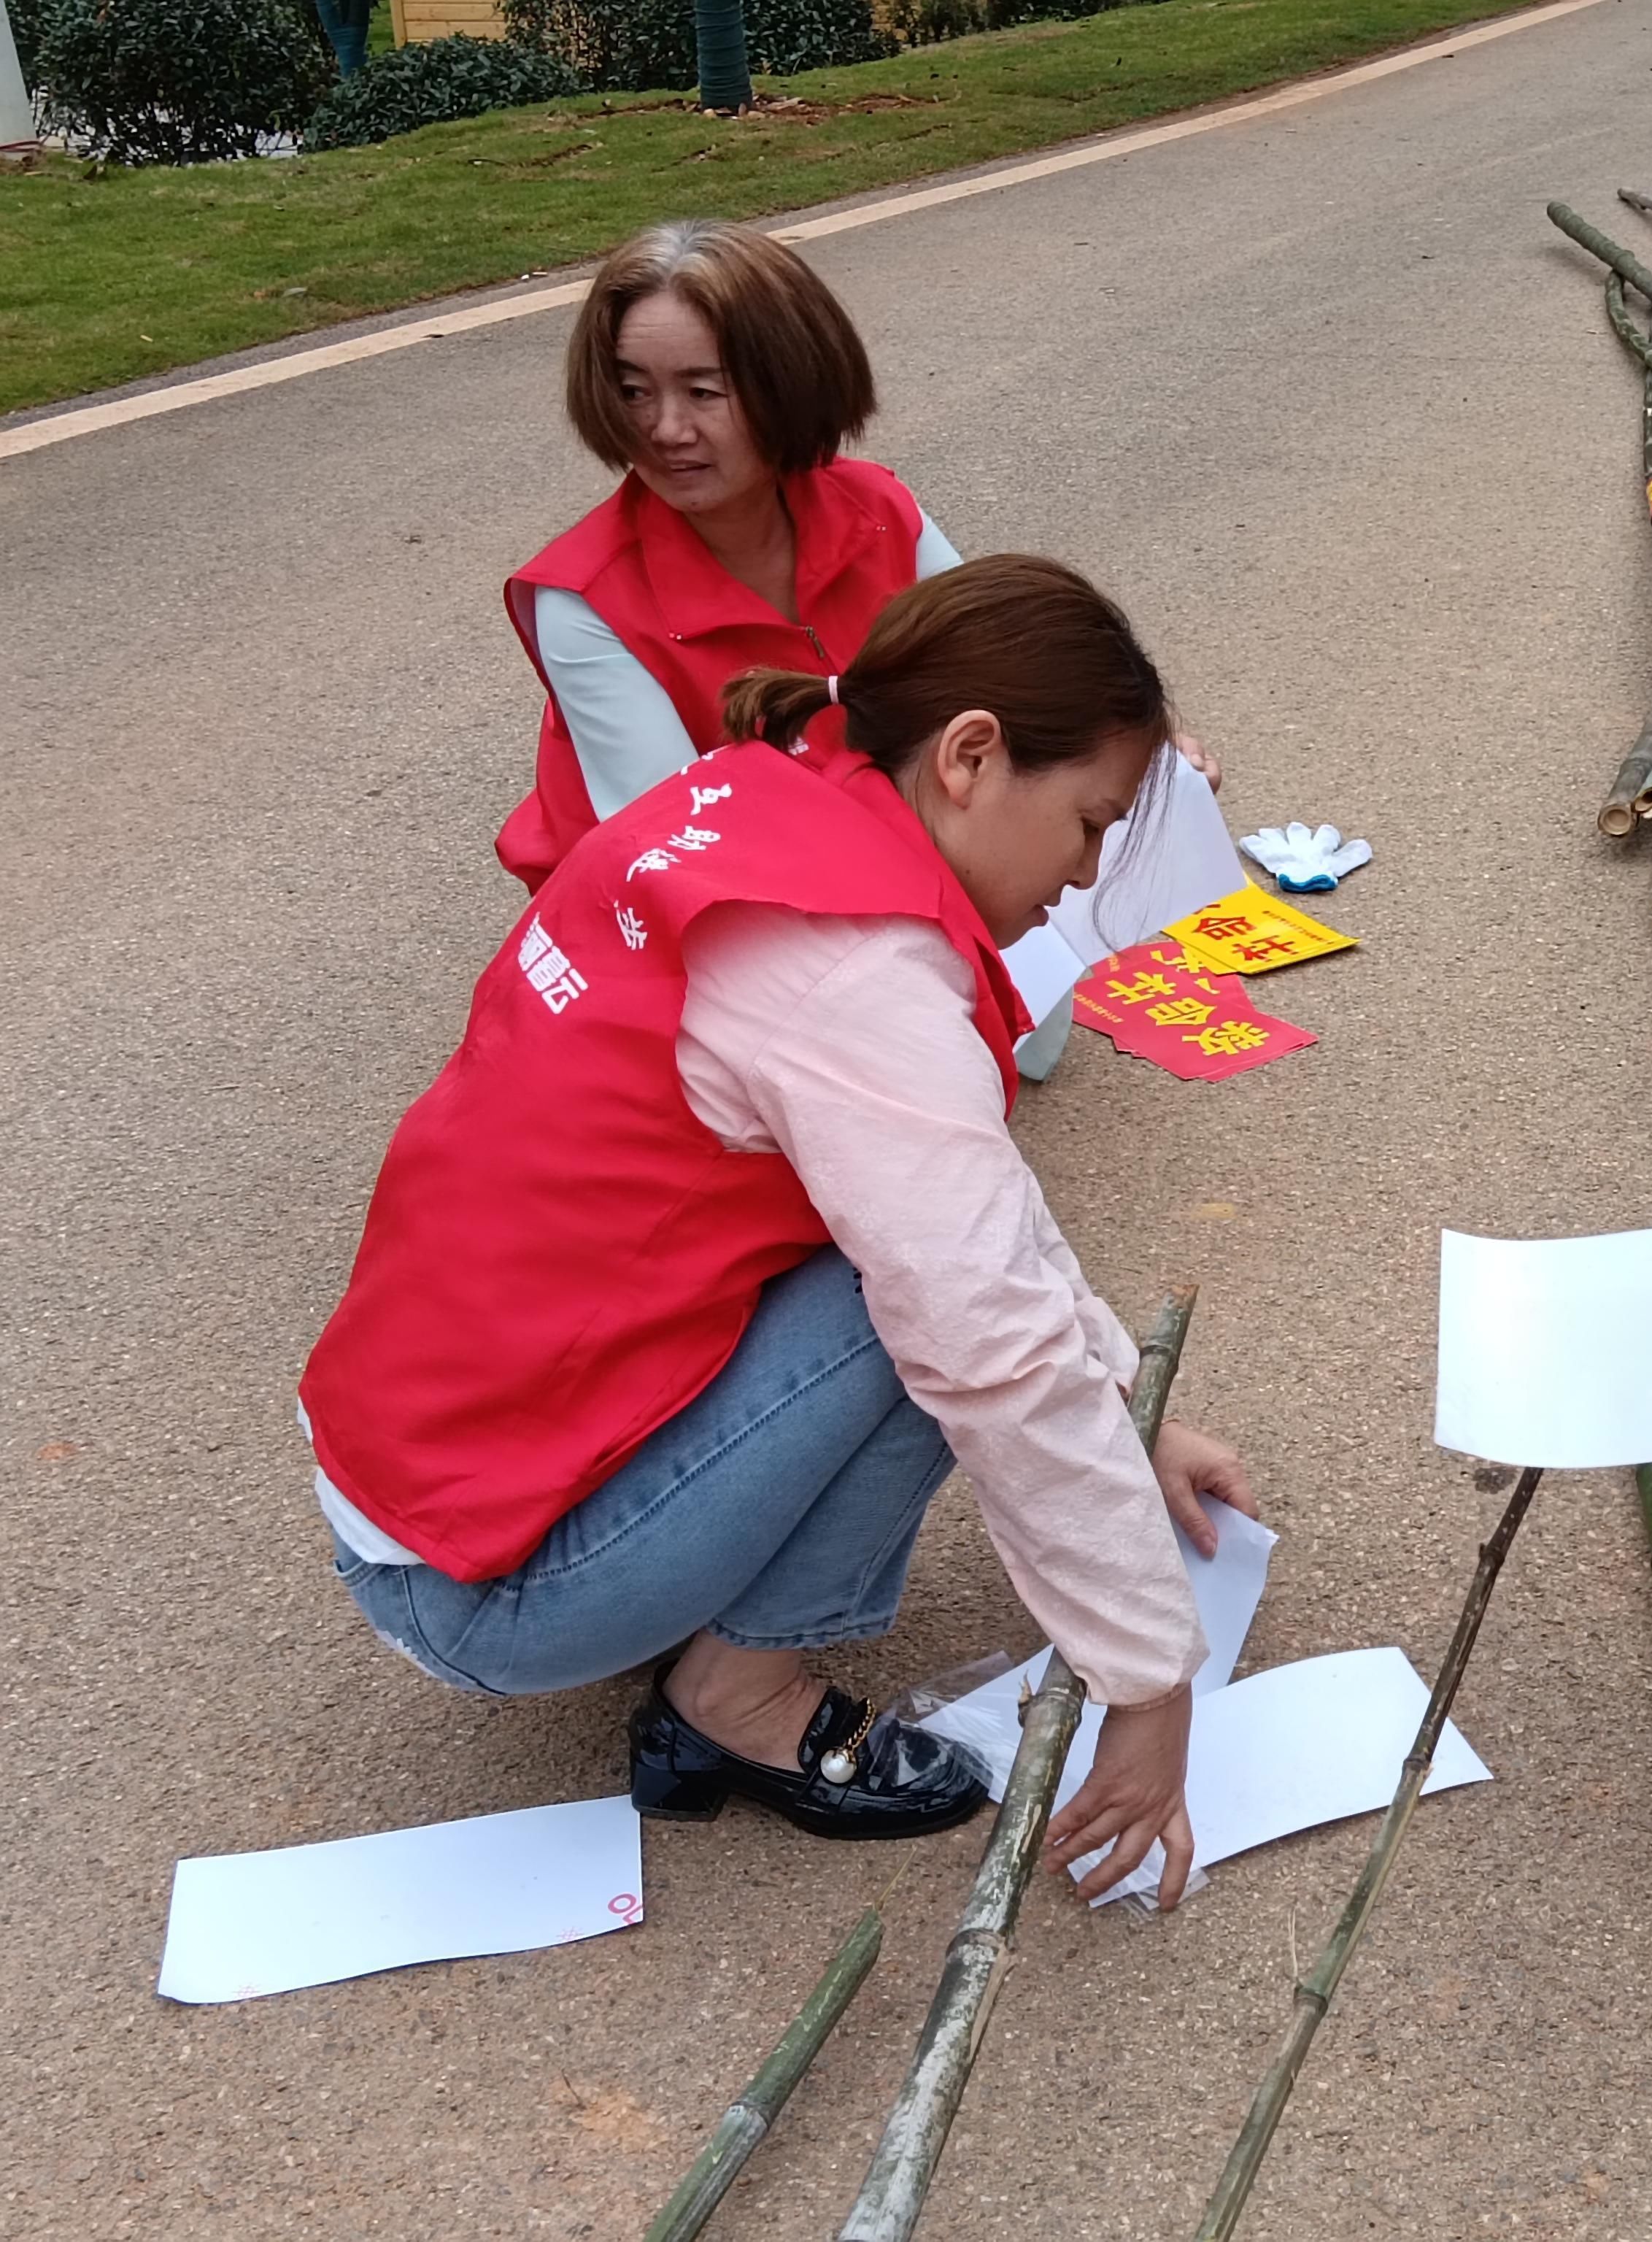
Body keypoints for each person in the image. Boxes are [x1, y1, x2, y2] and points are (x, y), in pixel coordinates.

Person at [304, 556, 1251, 1903]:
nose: (1083, 877)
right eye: (1090, 823)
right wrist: (1149, 1680)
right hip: (480, 1587)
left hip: (428, 1478)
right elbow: (987, 1335)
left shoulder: (761, 798)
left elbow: (972, 1207)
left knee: (910, 1241)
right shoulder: (853, 966)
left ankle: (668, 1582)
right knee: (908, 1302)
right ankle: (737, 1694)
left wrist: (1126, 1413)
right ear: (973, 757)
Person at [497, 217, 1215, 1074]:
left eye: (702, 391)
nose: (664, 429)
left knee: (1030, 1047)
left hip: (878, 845)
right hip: (685, 899)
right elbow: (682, 859)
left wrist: (1121, 754)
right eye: (633, 391)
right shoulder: (580, 597)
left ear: (788, 383)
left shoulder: (877, 506)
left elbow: (1009, 663)